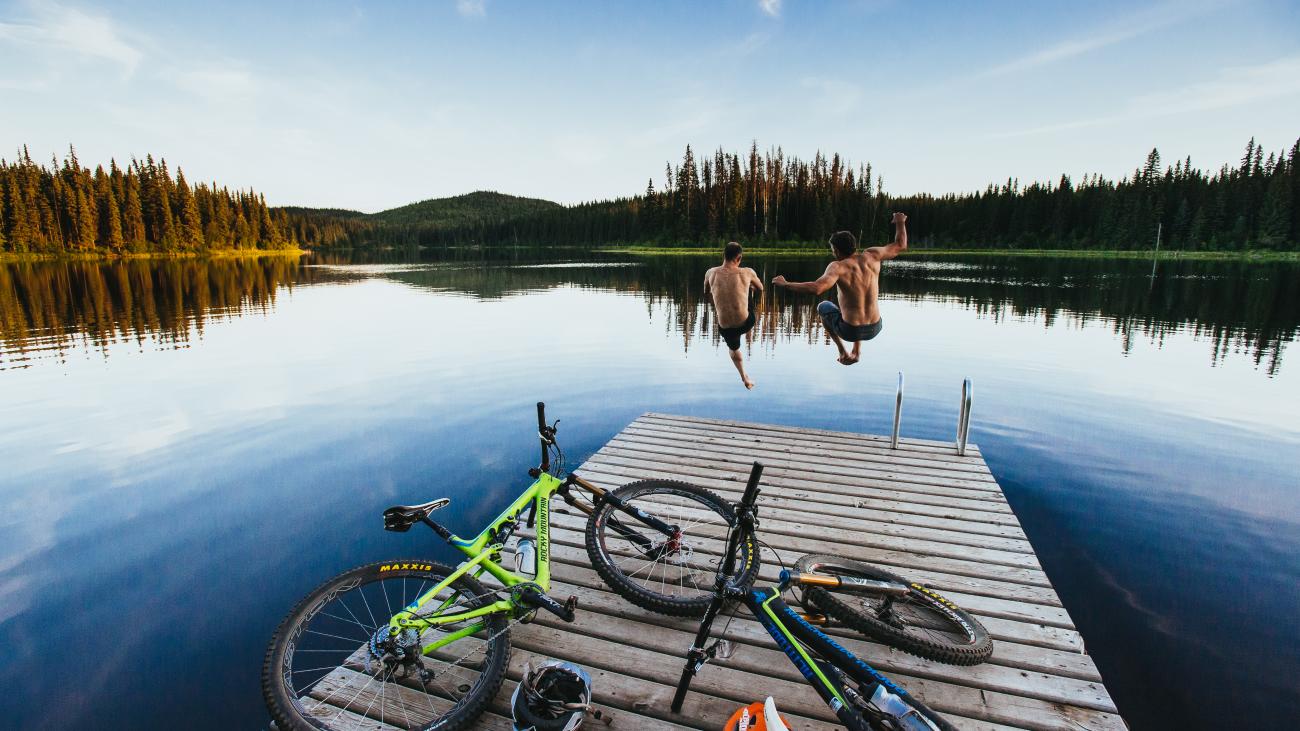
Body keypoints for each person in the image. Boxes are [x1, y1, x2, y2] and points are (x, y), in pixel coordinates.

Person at [772, 213, 908, 365]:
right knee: (854, 305)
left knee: (823, 306)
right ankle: (856, 350)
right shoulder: (873, 255)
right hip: (875, 328)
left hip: (850, 331)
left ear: (836, 250)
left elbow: (817, 288)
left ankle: (843, 351)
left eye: (832, 249)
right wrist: (900, 222)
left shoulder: (838, 267)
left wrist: (786, 284)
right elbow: (900, 244)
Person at [704, 241, 763, 389]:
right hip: (747, 321)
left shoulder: (710, 273)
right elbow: (761, 288)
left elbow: (705, 292)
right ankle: (746, 289)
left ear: (723, 256)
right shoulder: (747, 272)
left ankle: (745, 377)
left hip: (726, 327)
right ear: (739, 258)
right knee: (749, 286)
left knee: (734, 349)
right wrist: (750, 289)